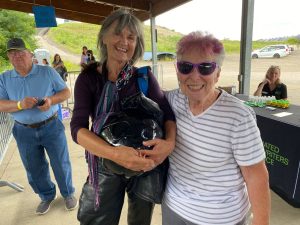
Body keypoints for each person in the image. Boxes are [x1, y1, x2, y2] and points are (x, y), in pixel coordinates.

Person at [70, 9, 176, 225]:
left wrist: (169, 143)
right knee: (97, 220)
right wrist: (115, 154)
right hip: (104, 161)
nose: (124, 42)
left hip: (145, 165)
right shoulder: (89, 79)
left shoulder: (144, 78)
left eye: (131, 37)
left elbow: (168, 114)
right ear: (104, 37)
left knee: (140, 221)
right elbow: (78, 129)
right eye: (118, 34)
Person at [156, 32, 270, 225]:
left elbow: (256, 176)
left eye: (205, 67)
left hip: (220, 218)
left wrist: (261, 221)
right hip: (174, 208)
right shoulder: (170, 101)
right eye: (185, 67)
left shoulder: (238, 116)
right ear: (177, 71)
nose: (194, 76)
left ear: (217, 73)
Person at [0, 38, 78, 215]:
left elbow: (65, 92)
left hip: (51, 126)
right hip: (23, 130)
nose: (17, 56)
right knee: (34, 167)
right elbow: (0, 104)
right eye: (12, 53)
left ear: (30, 54)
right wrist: (20, 105)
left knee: (60, 162)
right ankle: (46, 196)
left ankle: (68, 193)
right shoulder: (4, 78)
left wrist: (51, 100)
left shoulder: (47, 72)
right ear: (9, 57)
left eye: (20, 52)